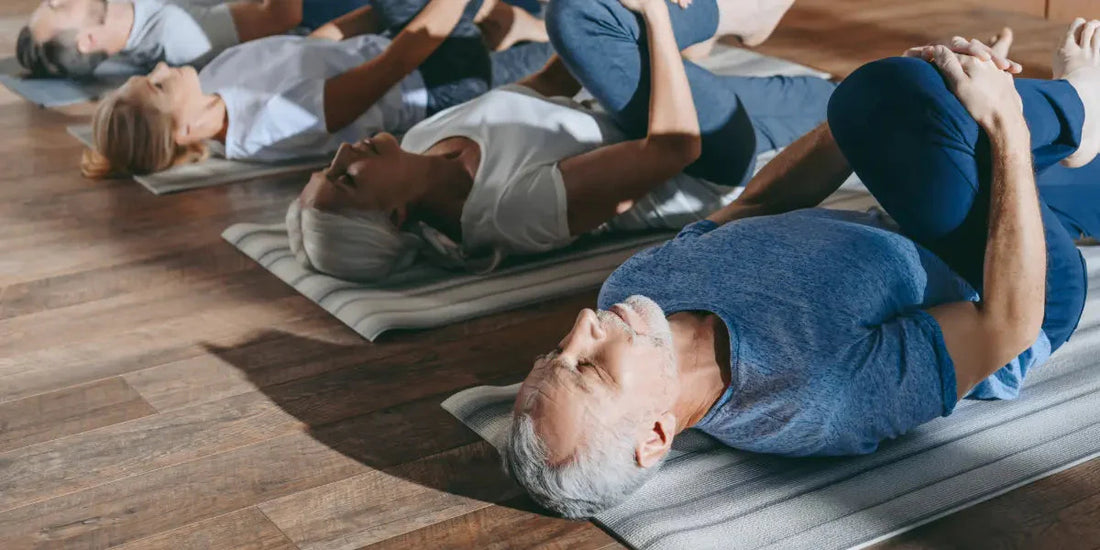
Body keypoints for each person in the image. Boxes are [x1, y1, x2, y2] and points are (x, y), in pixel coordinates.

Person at [500, 18, 1100, 519]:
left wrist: (852, 129)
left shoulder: (636, 290)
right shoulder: (813, 399)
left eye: (557, 350)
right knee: (890, 97)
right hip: (1022, 287)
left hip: (915, 215)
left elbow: (757, 206)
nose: (583, 323)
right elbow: (1008, 323)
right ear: (655, 436)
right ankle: (1078, 104)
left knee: (888, 103)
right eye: (590, 369)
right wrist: (1005, 128)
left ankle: (1039, 135)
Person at [285, 0, 833, 282]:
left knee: (842, 103)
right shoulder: (510, 212)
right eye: (347, 179)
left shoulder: (425, 141)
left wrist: (611, 47)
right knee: (576, 15)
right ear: (399, 216)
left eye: (326, 167)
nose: (342, 154)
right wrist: (654, 24)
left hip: (638, 106)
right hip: (702, 152)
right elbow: (675, 149)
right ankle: (738, 16)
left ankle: (732, 18)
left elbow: (547, 84)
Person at [80, 0, 554, 178]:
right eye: (158, 84)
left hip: (397, 45)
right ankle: (511, 28)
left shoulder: (213, 80)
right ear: (184, 130)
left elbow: (311, 44)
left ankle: (505, 24)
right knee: (548, 60)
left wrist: (385, 10)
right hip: (436, 80)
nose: (162, 65)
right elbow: (393, 67)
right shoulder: (270, 125)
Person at [17, 0, 309, 76]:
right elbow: (282, 15)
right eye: (57, 6)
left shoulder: (120, 11)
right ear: (88, 40)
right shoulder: (177, 36)